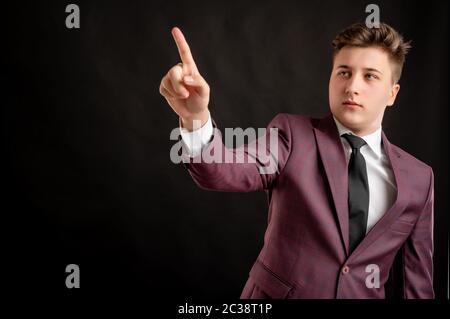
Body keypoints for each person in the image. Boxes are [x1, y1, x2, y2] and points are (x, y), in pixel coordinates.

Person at [159, 22, 434, 298]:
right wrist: (195, 118)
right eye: (344, 72)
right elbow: (221, 170)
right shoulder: (291, 135)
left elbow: (416, 284)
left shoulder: (419, 179)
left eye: (370, 76)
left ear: (392, 93)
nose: (352, 86)